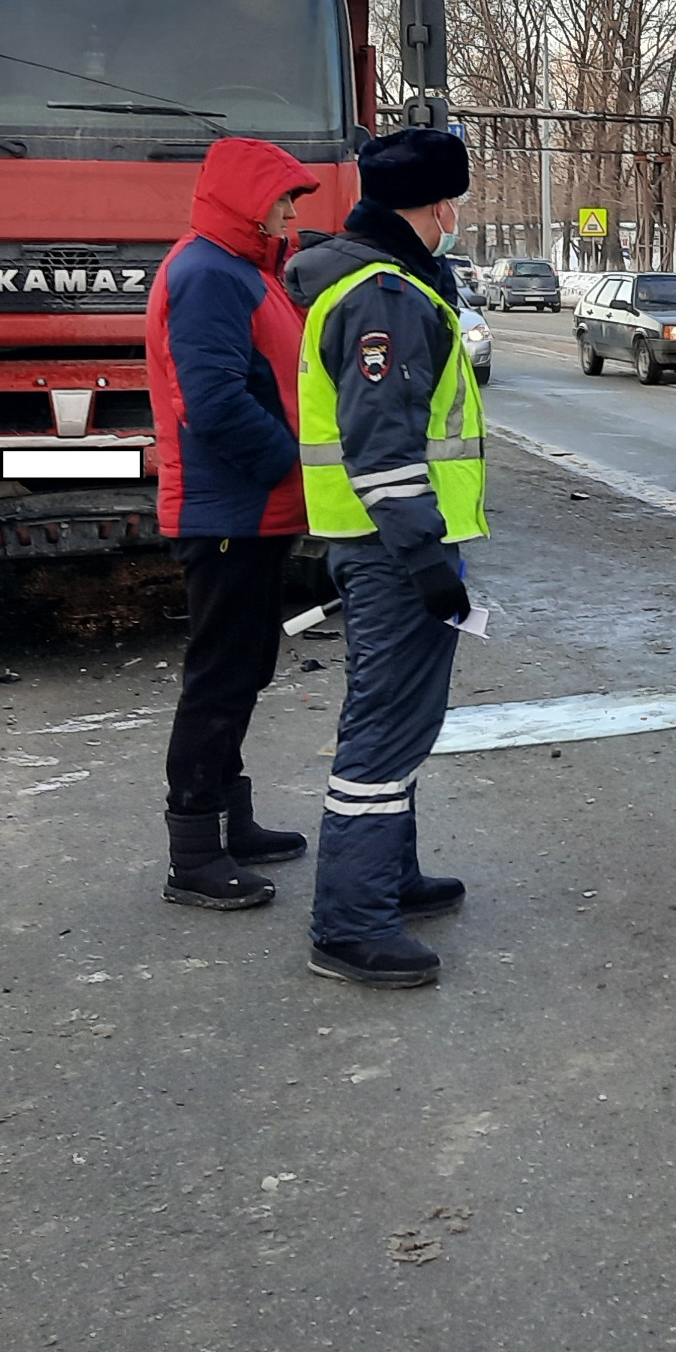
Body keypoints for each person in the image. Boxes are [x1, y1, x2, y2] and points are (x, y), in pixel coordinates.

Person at [284, 128, 485, 987]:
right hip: (392, 550)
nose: (451, 221)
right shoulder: (385, 297)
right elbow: (384, 444)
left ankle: (388, 879)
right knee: (382, 729)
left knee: (400, 722)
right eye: (450, 206)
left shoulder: (371, 282)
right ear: (434, 206)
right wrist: (425, 555)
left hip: (375, 545)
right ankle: (350, 923)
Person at [144, 136, 322, 911]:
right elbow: (212, 401)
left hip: (251, 508)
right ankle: (194, 852)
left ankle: (230, 821)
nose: (290, 214)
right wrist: (294, 464)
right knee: (218, 679)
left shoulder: (243, 269)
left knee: (245, 669)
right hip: (228, 509)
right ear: (249, 199)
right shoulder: (208, 274)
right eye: (283, 199)